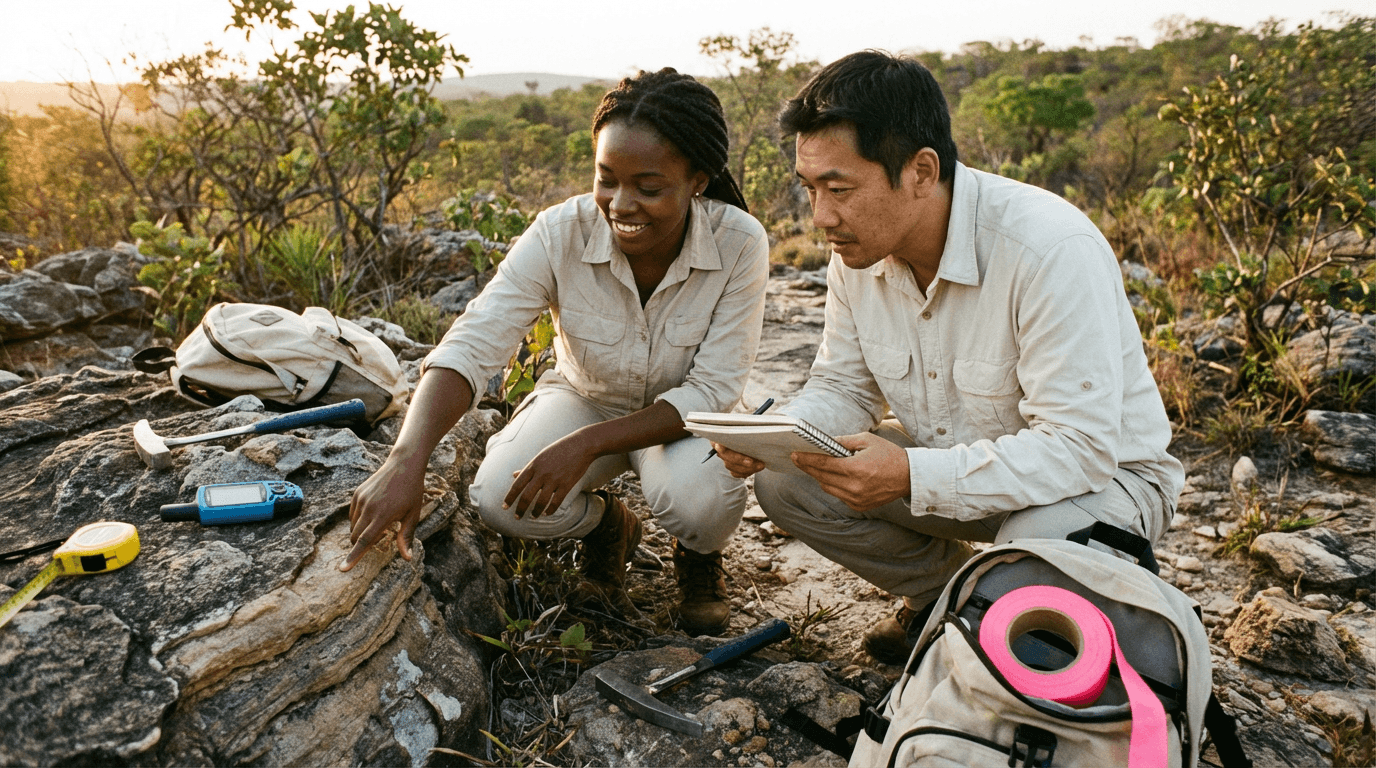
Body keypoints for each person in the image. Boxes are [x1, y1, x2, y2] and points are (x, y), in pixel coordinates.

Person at [711, 51, 1185, 663]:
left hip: (1103, 485)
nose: (821, 216)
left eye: (840, 189)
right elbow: (845, 388)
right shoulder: (856, 253)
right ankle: (942, 603)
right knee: (789, 480)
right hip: (963, 476)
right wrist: (776, 434)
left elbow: (1080, 449)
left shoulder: (1047, 249)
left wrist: (911, 474)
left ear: (921, 171)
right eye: (810, 189)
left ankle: (1003, 608)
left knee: (1031, 555)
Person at [342, 68, 770, 637]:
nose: (621, 204)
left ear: (697, 180)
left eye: (648, 186)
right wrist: (407, 458)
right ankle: (606, 528)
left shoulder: (740, 243)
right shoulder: (558, 232)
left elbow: (711, 391)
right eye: (606, 179)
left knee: (701, 501)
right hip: (585, 396)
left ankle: (697, 555)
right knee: (499, 498)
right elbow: (475, 342)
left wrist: (586, 445)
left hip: (682, 420)